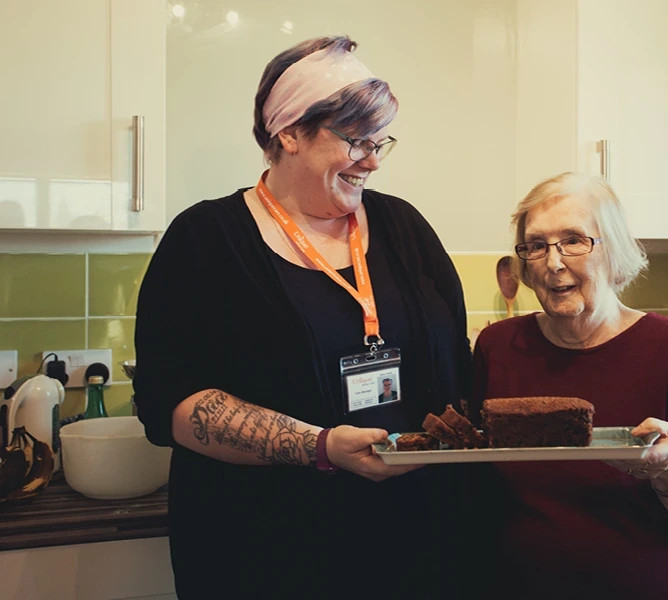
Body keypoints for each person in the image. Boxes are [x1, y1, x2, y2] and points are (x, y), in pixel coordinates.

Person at [134, 35, 471, 599]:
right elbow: (172, 404)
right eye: (356, 139)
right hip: (264, 549)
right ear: (288, 133)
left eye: (380, 140)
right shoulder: (206, 241)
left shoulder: (404, 228)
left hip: (413, 538)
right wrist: (317, 445)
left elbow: (455, 360)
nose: (373, 159)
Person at [468, 173, 668, 599]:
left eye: (574, 240)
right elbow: (480, 490)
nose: (552, 263)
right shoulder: (499, 347)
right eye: (536, 245)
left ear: (613, 250)